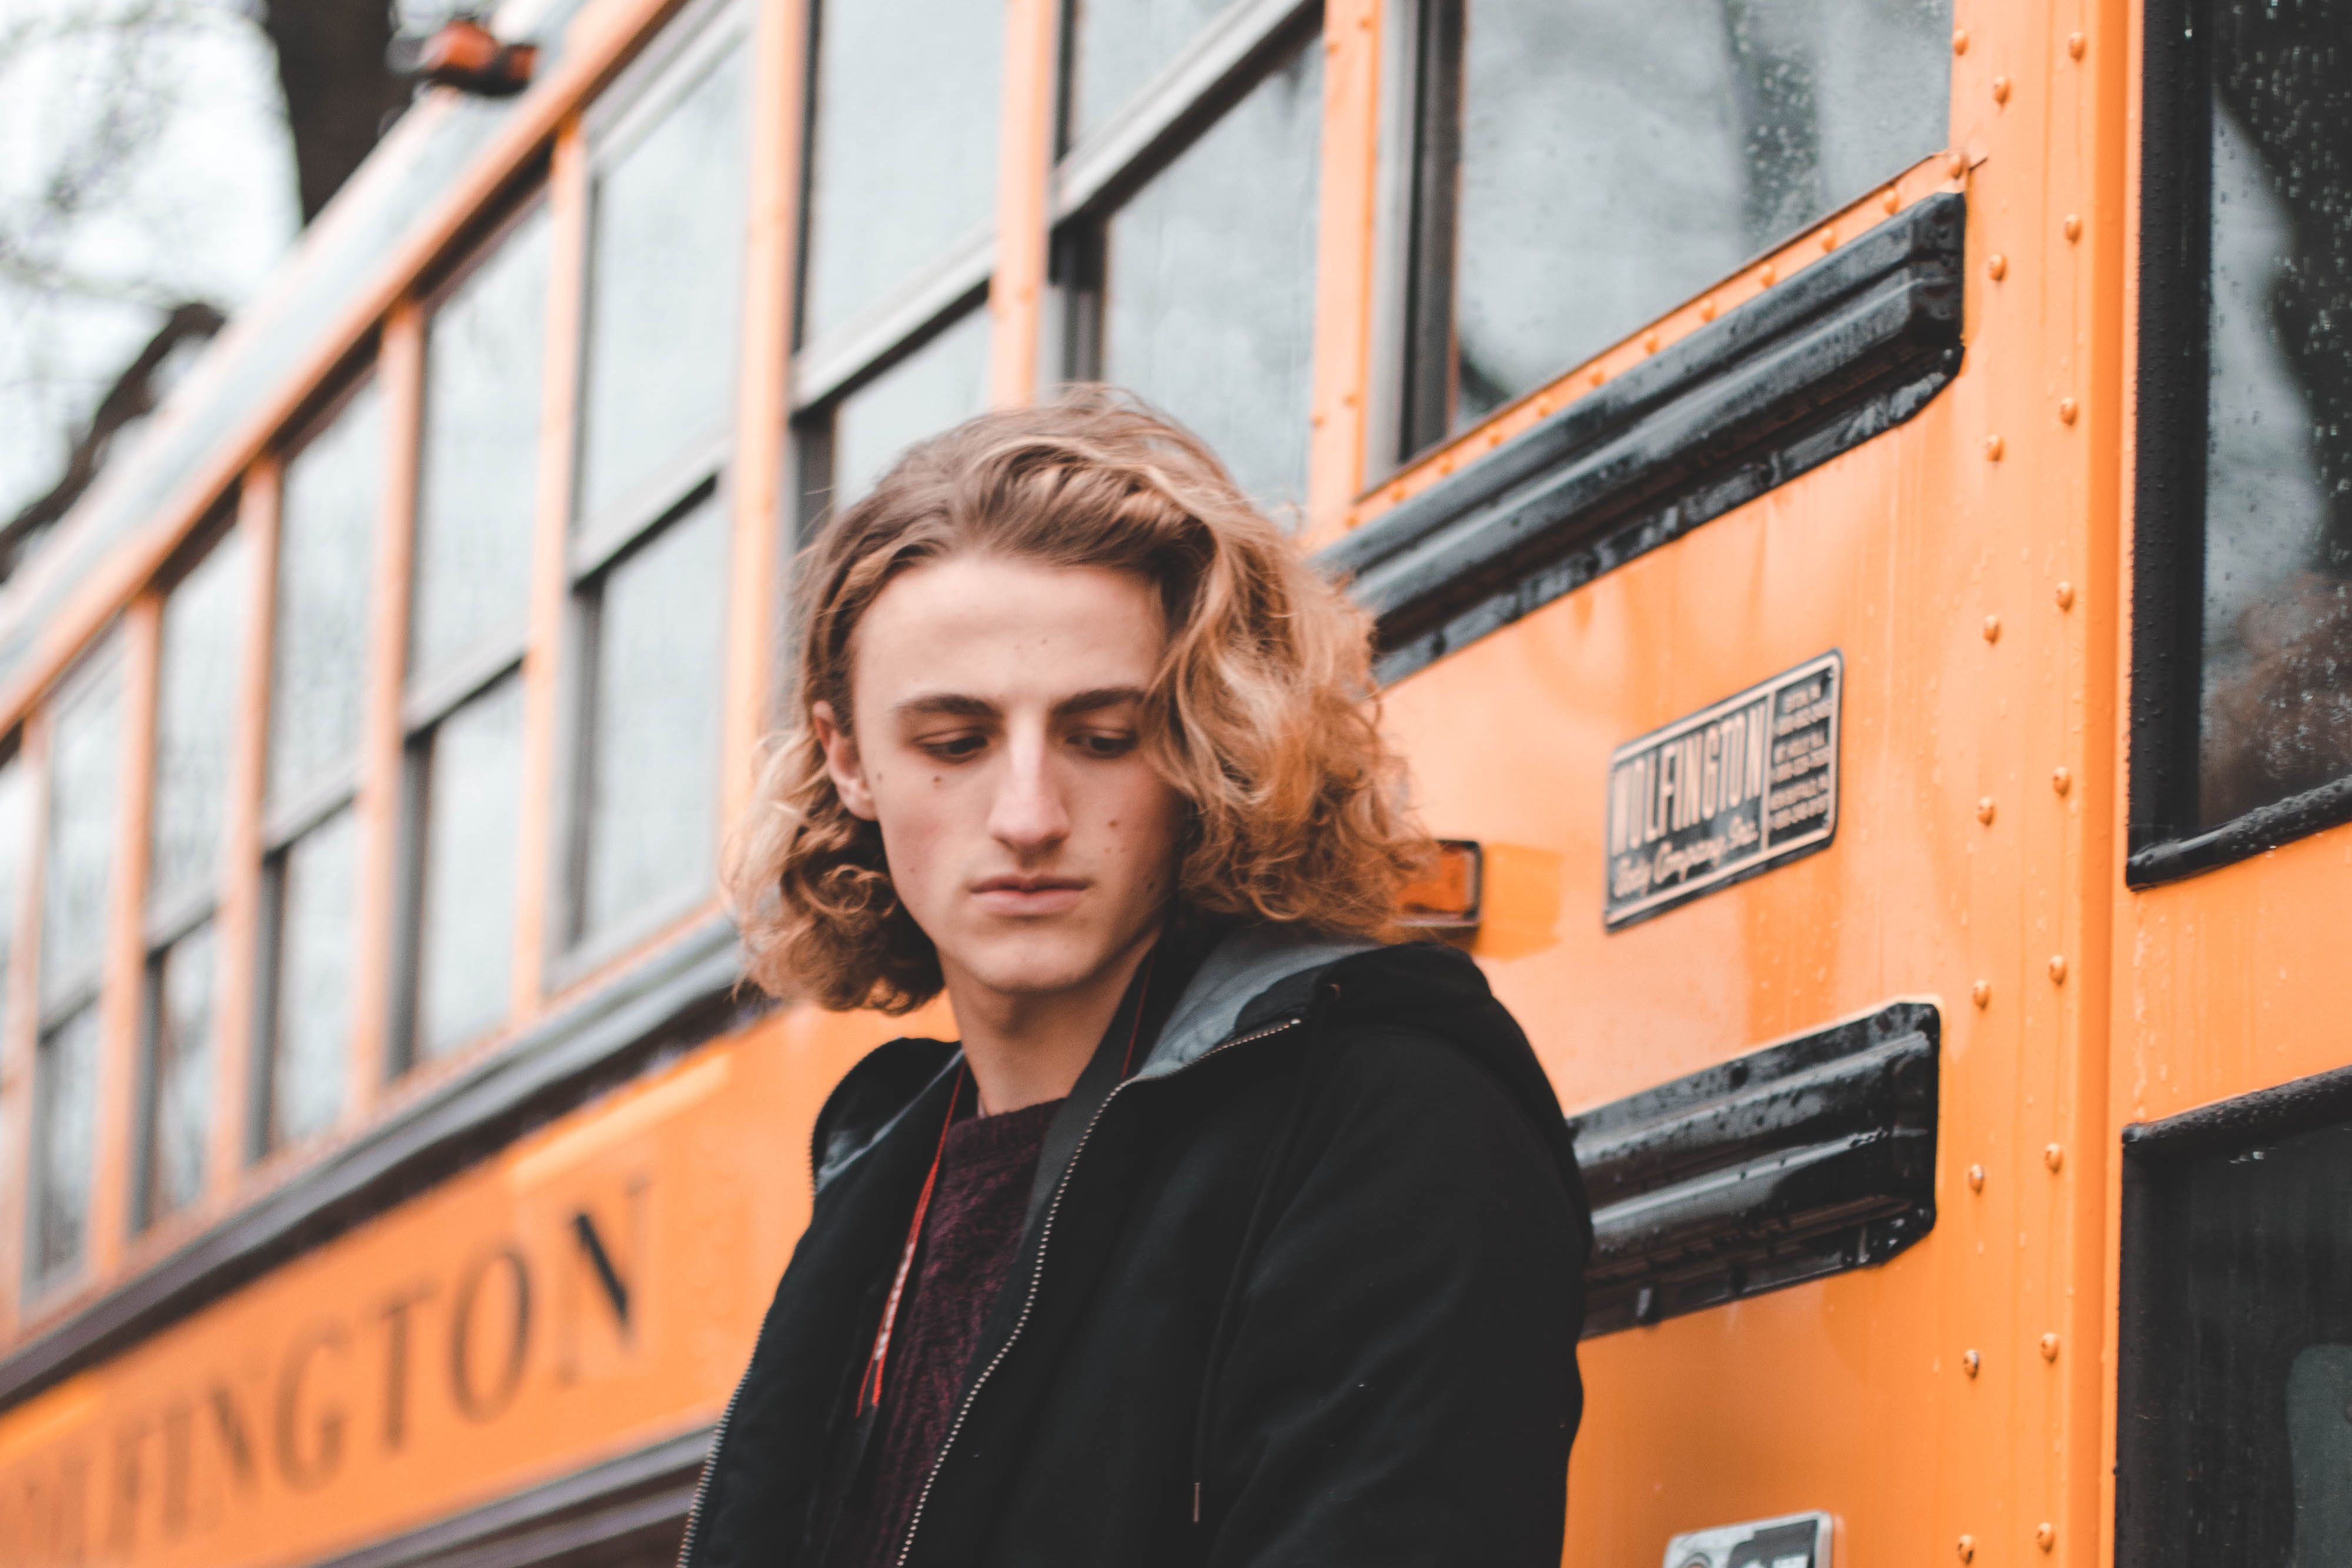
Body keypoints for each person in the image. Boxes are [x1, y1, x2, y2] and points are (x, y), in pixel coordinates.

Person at [681, 390, 1589, 1568]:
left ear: (1210, 745)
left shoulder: (1386, 1113)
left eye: (1104, 736)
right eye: (953, 743)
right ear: (848, 758)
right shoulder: (884, 1170)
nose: (1026, 816)